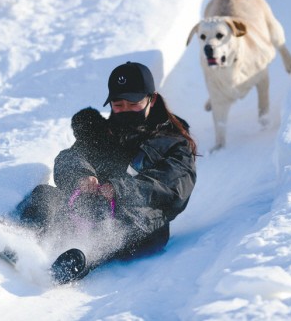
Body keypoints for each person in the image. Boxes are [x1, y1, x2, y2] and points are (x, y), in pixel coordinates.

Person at [15, 61, 197, 281]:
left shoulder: (173, 141)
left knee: (125, 227)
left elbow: (173, 186)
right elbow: (71, 157)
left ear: (152, 99)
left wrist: (120, 189)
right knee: (44, 195)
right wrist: (82, 175)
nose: (126, 110)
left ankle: (81, 259)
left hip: (141, 219)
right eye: (118, 105)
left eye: (133, 103)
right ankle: (21, 241)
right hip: (90, 209)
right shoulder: (104, 132)